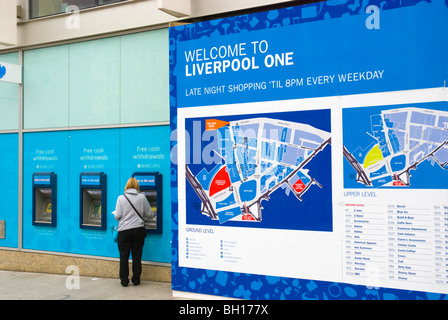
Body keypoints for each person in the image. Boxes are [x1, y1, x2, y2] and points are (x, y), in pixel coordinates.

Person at [114, 177, 153, 287]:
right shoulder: (142, 197)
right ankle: (136, 279)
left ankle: (124, 281)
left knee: (124, 256)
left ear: (126, 186)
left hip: (124, 231)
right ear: (137, 186)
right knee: (137, 256)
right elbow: (149, 213)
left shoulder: (121, 198)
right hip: (138, 230)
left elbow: (117, 216)